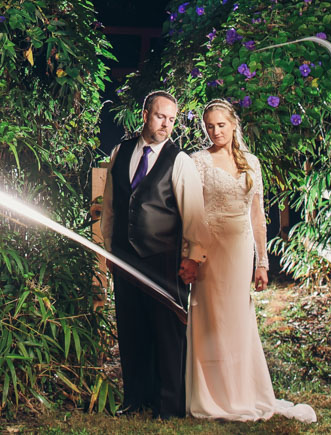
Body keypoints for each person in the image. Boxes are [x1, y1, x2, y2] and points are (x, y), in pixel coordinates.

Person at [184, 99, 318, 422]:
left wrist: (262, 262)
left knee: (237, 318)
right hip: (210, 249)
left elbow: (258, 216)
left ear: (233, 125)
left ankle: (242, 390)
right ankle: (211, 394)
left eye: (221, 125)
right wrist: (192, 254)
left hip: (240, 249)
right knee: (209, 319)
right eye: (210, 126)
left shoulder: (252, 163)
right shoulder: (197, 161)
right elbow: (192, 213)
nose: (216, 131)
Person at [97, 90, 208, 418]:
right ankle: (135, 399)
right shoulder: (121, 151)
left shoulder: (180, 160)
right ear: (145, 114)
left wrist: (193, 257)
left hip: (163, 258)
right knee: (131, 329)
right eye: (161, 116)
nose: (166, 124)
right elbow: (111, 204)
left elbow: (195, 215)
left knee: (167, 332)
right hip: (125, 257)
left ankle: (169, 405)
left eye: (172, 119)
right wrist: (109, 249)